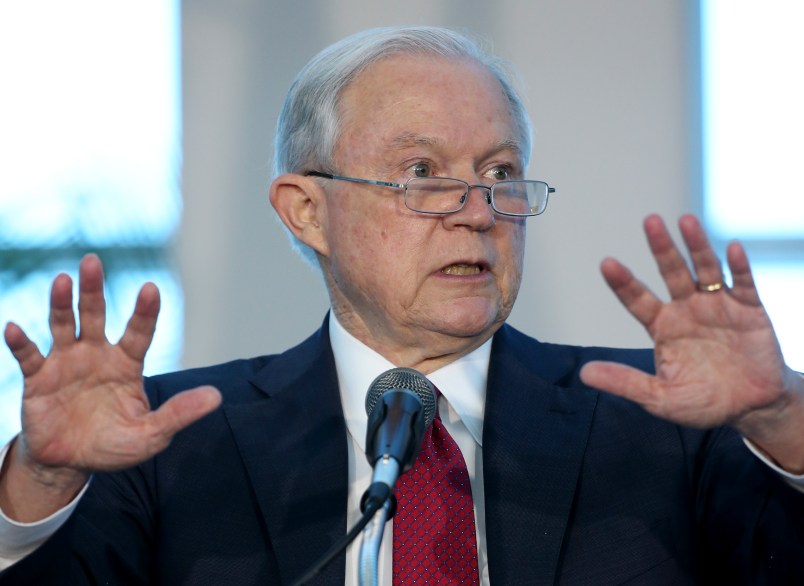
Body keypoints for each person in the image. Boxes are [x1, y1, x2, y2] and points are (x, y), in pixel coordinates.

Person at [0, 25, 802, 585]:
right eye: (422, 173)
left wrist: (784, 424)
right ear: (306, 210)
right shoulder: (170, 440)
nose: (479, 209)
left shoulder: (668, 426)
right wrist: (38, 486)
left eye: (499, 173)